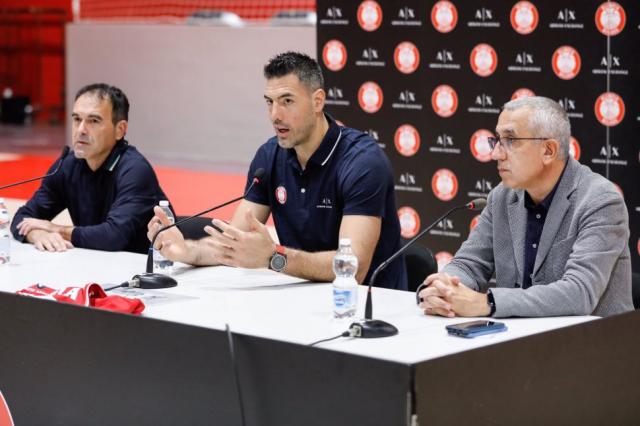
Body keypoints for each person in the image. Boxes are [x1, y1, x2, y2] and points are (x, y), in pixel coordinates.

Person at [148, 51, 407, 289]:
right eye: (269, 102)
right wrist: (187, 250)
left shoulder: (362, 162)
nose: (275, 115)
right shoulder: (269, 156)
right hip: (300, 295)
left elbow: (354, 268)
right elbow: (232, 244)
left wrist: (274, 257)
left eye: (287, 101)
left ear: (317, 101)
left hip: (372, 304)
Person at [417, 96, 632, 317]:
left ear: (548, 150)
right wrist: (442, 289)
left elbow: (579, 293)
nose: (496, 153)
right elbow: (468, 264)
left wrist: (487, 303)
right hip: (520, 335)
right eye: (497, 140)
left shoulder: (600, 201)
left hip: (593, 337)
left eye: (510, 140)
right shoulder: (502, 196)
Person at [11, 83, 170, 254]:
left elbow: (113, 237)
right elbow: (23, 217)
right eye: (77, 119)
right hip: (93, 262)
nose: (81, 130)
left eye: (93, 121)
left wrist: (54, 228)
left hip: (144, 265)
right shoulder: (67, 165)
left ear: (120, 129)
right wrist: (36, 234)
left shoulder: (135, 171)